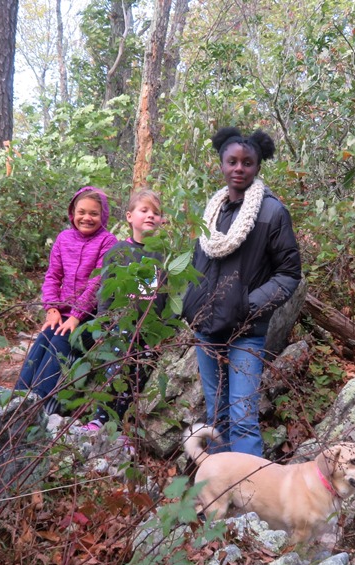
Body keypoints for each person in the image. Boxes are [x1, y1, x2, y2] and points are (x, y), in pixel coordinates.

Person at [182, 127, 302, 456]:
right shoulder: (212, 212)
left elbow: (289, 274)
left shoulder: (272, 212)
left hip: (246, 331)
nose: (239, 168)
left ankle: (250, 499)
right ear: (221, 165)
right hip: (207, 330)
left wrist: (246, 306)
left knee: (243, 417)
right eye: (232, 161)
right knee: (217, 416)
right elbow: (197, 265)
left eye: (247, 162)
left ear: (257, 167)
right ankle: (221, 497)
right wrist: (190, 305)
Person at [15, 186, 117, 413]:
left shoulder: (108, 242)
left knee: (60, 342)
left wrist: (77, 316)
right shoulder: (64, 238)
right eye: (82, 212)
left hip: (89, 315)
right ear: (73, 213)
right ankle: (18, 397)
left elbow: (97, 282)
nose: (87, 218)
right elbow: (53, 275)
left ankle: (40, 406)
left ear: (103, 216)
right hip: (61, 311)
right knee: (44, 338)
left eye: (94, 213)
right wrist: (51, 308)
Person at [81, 188, 167, 433]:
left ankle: (120, 426)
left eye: (156, 213)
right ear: (129, 216)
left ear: (162, 220)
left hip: (149, 329)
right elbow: (106, 291)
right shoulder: (117, 252)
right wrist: (104, 324)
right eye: (144, 210)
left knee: (138, 372)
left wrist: (162, 332)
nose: (150, 216)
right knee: (117, 364)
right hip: (120, 326)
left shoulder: (162, 255)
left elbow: (168, 295)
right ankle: (100, 417)